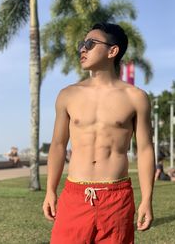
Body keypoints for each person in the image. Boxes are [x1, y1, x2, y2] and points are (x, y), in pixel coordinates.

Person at [43, 22, 155, 244]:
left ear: (113, 51)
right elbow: (57, 145)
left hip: (117, 197)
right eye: (82, 44)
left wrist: (147, 199)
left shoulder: (135, 97)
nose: (82, 49)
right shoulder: (68, 95)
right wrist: (50, 190)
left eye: (90, 43)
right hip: (74, 196)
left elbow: (145, 149)